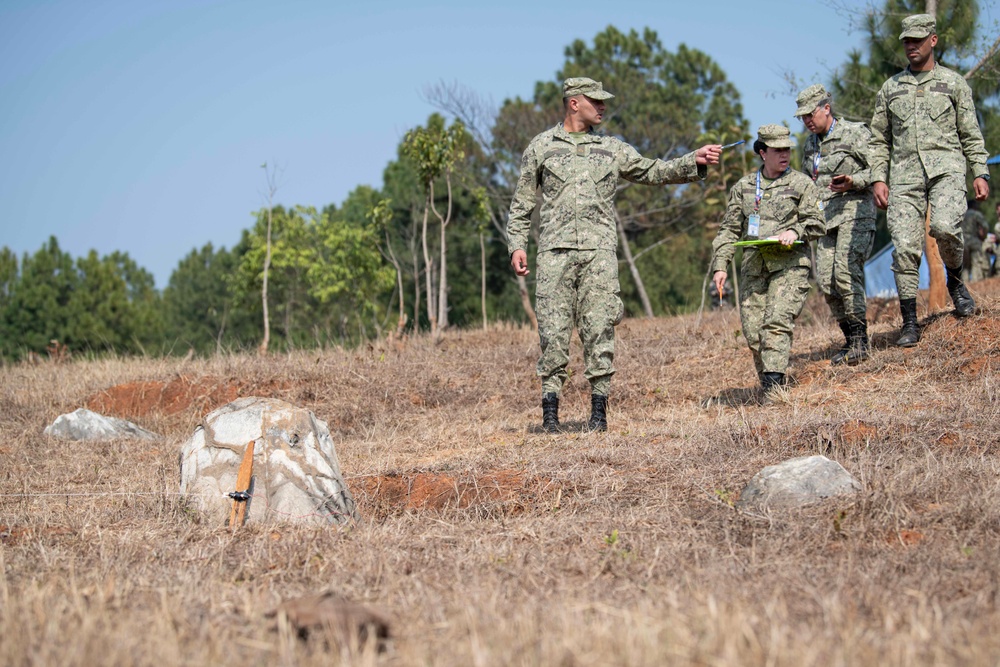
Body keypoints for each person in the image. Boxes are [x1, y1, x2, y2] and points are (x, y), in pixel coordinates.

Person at [507, 77, 722, 432]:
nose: (603, 107)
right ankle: (550, 415)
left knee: (599, 329)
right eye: (596, 101)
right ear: (574, 102)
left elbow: (654, 171)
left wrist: (692, 160)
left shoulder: (612, 148)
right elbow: (522, 203)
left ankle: (598, 413)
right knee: (554, 333)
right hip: (554, 254)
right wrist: (517, 243)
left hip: (599, 255)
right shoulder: (541, 146)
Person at [869, 14, 991, 347]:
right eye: (906, 41)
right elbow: (878, 139)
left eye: (917, 40)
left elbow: (970, 133)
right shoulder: (890, 89)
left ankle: (955, 283)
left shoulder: (953, 83)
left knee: (946, 227)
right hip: (905, 176)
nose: (911, 46)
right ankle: (910, 321)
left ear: (933, 40)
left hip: (947, 170)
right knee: (905, 248)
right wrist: (878, 178)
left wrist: (980, 171)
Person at [711, 125, 825, 392]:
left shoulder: (801, 183)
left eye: (787, 149)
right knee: (753, 332)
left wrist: (795, 229)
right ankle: (770, 383)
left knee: (776, 323)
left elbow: (818, 223)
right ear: (763, 152)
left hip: (790, 265)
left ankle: (774, 392)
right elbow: (728, 229)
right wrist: (720, 266)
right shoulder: (744, 187)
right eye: (778, 150)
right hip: (754, 267)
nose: (784, 155)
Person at [795, 84, 877, 365]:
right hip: (826, 220)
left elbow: (878, 169)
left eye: (809, 114)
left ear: (826, 109)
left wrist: (854, 181)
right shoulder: (810, 145)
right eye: (801, 117)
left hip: (856, 212)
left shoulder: (855, 133)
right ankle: (851, 339)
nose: (806, 121)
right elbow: (809, 183)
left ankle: (862, 341)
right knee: (827, 282)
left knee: (845, 271)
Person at [962, 200, 990, 282]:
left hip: (963, 241)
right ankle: (975, 283)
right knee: (976, 263)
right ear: (974, 206)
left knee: (965, 266)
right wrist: (983, 236)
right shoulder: (976, 214)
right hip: (974, 240)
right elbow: (985, 226)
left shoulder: (962, 215)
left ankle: (965, 284)